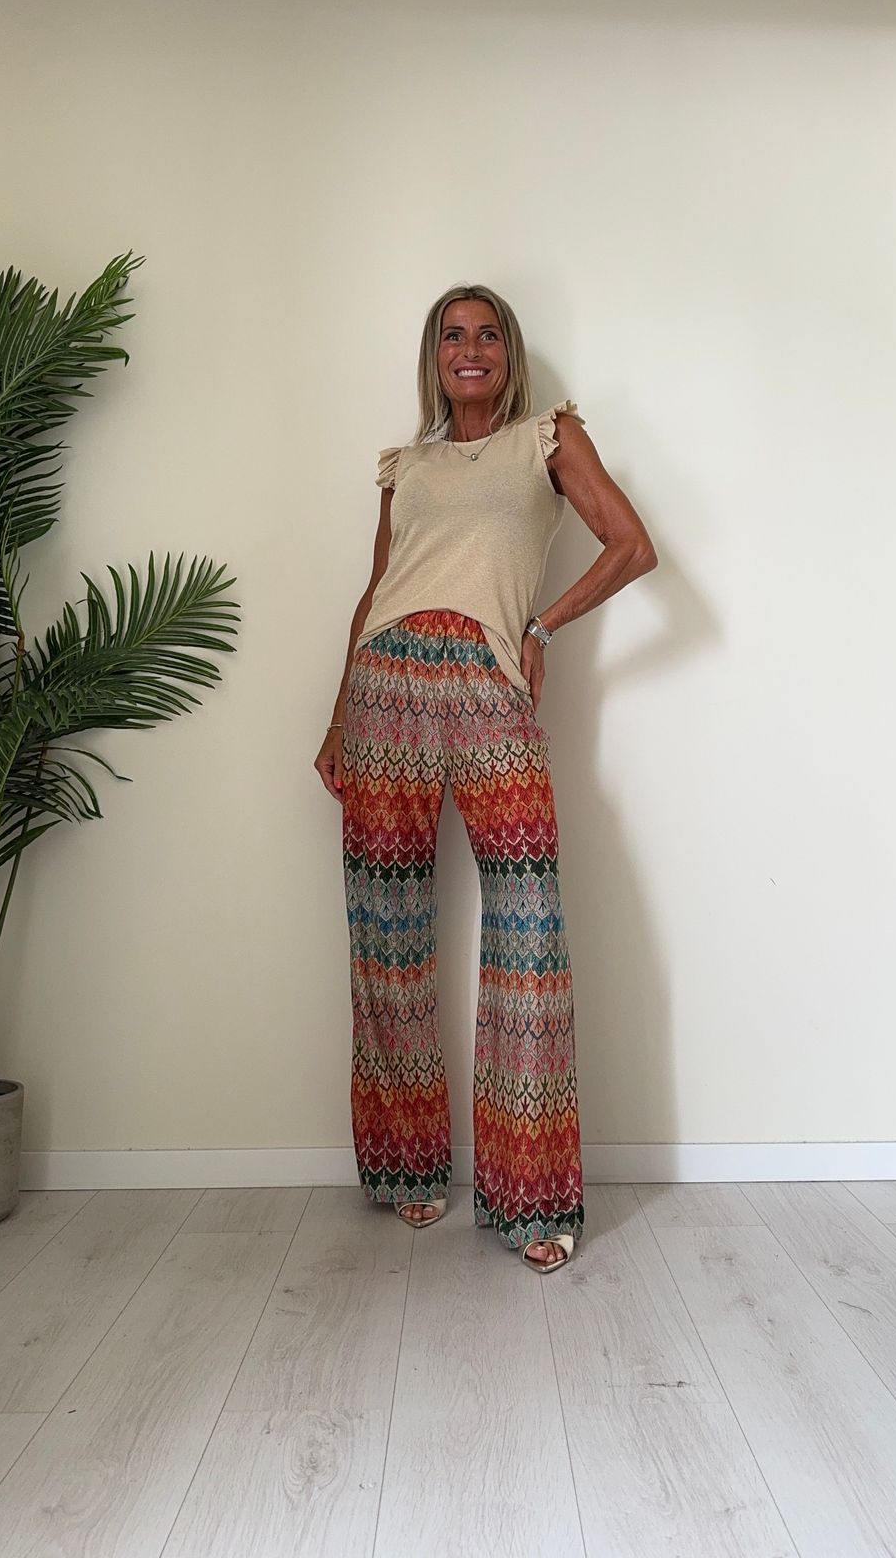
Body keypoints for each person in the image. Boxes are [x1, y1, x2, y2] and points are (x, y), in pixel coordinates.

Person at [315, 283, 658, 1273]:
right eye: (452, 336)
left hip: (486, 683)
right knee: (385, 933)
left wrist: (540, 627)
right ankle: (406, 1166)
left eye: (488, 334)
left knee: (527, 928)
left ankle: (529, 1199)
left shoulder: (546, 438)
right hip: (383, 686)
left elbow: (631, 545)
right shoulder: (407, 465)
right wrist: (336, 714)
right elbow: (375, 587)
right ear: (435, 356)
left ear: (510, 351)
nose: (471, 349)